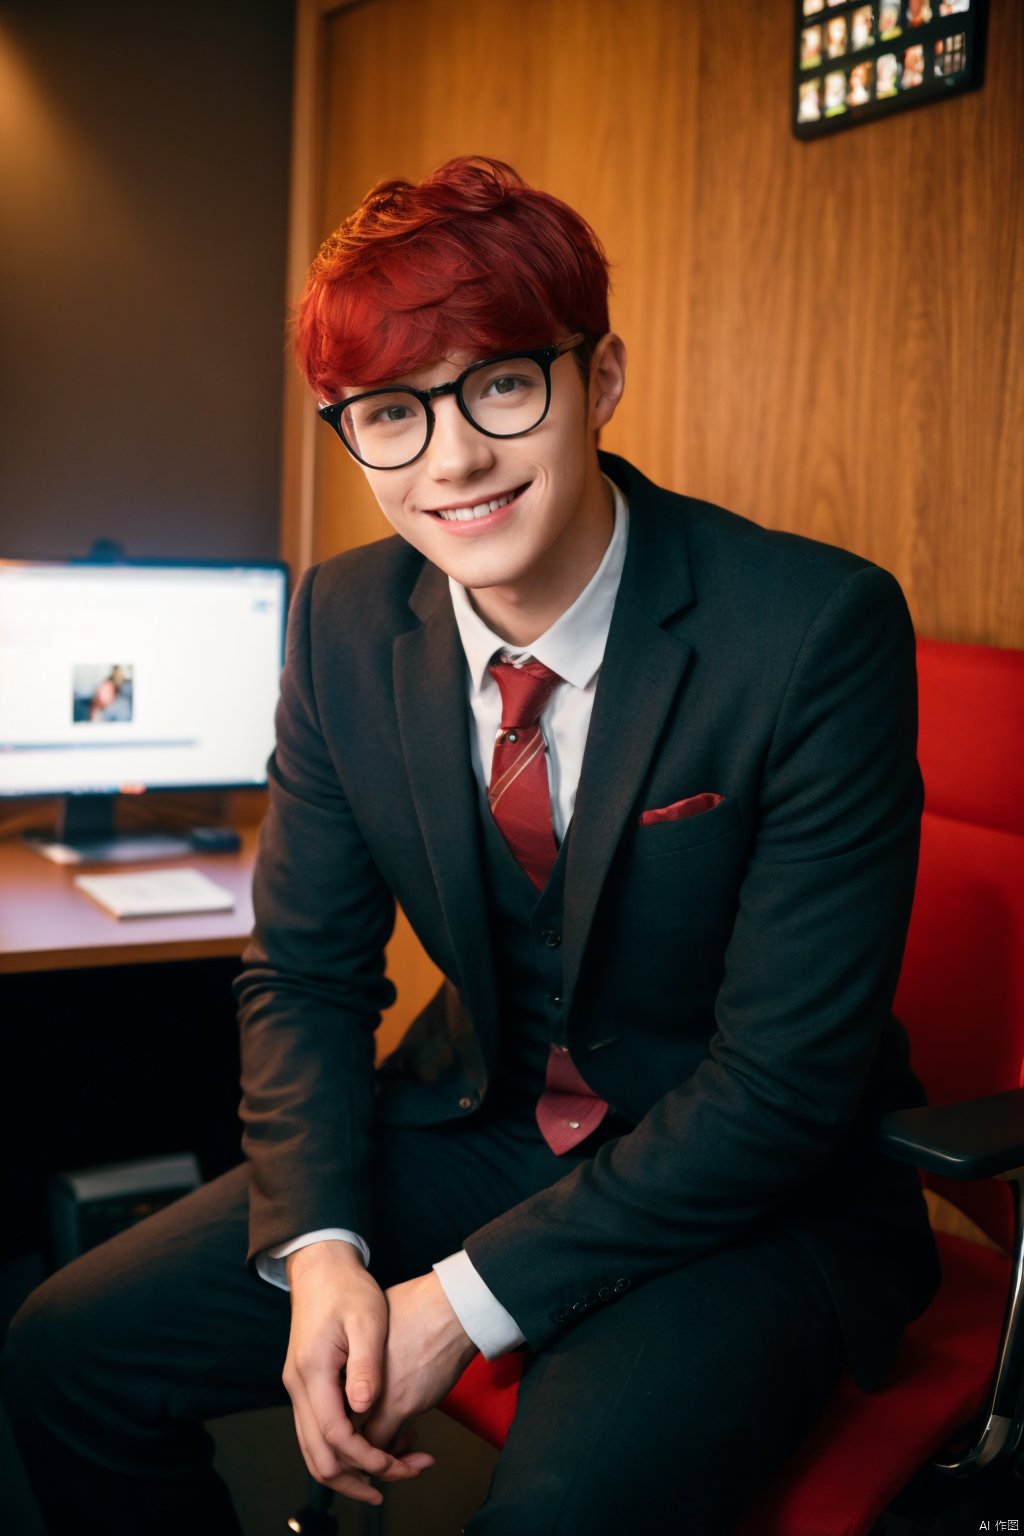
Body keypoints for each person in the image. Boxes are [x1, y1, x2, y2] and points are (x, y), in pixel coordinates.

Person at [2, 157, 939, 1535]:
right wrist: (320, 1252)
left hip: (749, 1187)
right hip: (480, 1121)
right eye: (390, 412)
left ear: (600, 375)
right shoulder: (341, 625)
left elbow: (784, 1090)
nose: (452, 459)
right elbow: (309, 974)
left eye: (501, 384)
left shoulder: (812, 633)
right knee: (64, 1352)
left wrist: (460, 1299)